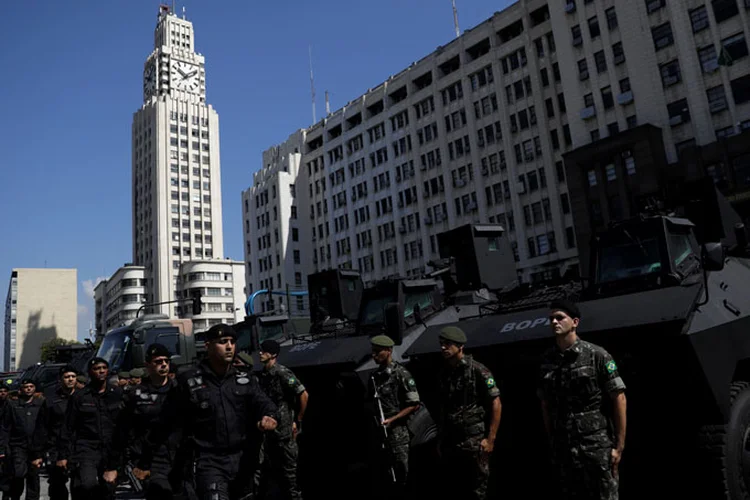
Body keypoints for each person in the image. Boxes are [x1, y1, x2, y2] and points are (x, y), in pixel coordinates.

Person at [135, 324, 279, 500]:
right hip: (209, 462)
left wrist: (269, 416)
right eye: (222, 342)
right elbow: (164, 422)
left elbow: (263, 402)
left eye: (232, 342)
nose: (229, 347)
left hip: (243, 461)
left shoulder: (245, 379)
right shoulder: (188, 380)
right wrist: (145, 461)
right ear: (208, 346)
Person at [538, 299, 627, 500]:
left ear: (575, 322)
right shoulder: (548, 361)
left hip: (596, 446)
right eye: (551, 318)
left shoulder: (597, 355)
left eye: (560, 317)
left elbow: (619, 398)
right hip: (565, 449)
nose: (554, 322)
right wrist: (552, 440)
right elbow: (545, 403)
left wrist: (619, 446)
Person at [436, 326, 501, 500]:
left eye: (448, 344)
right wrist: (441, 440)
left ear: (460, 346)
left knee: (479, 490)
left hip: (474, 441)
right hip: (452, 442)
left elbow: (495, 403)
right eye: (441, 344)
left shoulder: (477, 370)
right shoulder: (445, 373)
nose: (443, 347)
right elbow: (444, 408)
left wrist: (490, 439)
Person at [113, 344, 179, 500]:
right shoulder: (136, 394)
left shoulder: (180, 390)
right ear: (147, 365)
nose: (163, 365)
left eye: (166, 361)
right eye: (158, 361)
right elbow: (122, 429)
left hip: (179, 458)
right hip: (152, 459)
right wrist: (117, 463)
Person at [57, 357, 124, 500]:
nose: (101, 371)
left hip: (110, 448)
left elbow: (125, 424)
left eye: (103, 368)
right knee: (88, 485)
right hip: (87, 448)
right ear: (89, 372)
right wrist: (63, 455)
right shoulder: (80, 397)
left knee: (108, 488)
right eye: (96, 369)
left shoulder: (117, 394)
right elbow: (68, 427)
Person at [368, 335, 420, 499]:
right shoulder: (374, 377)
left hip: (397, 432)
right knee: (385, 475)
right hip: (380, 433)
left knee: (402, 473)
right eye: (373, 351)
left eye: (377, 352)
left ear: (389, 350)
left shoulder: (401, 374)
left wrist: (393, 420)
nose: (374, 355)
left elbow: (414, 404)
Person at [258, 339, 308, 500]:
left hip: (285, 432)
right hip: (271, 432)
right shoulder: (265, 375)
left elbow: (303, 394)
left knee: (290, 475)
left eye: (264, 351)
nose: (260, 353)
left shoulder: (283, 373)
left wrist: (298, 419)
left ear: (272, 354)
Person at [0, 378, 46, 500]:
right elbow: (5, 427)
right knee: (18, 474)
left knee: (33, 476)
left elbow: (45, 426)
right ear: (21, 389)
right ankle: (14, 495)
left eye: (31, 386)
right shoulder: (13, 405)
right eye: (26, 387)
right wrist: (3, 446)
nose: (29, 389)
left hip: (36, 446)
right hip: (18, 445)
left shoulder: (40, 404)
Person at [45, 366, 78, 500]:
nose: (70, 379)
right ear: (60, 379)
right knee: (57, 484)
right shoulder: (51, 400)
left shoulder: (83, 397)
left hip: (78, 445)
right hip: (56, 446)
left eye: (73, 376)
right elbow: (44, 426)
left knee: (80, 484)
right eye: (66, 377)